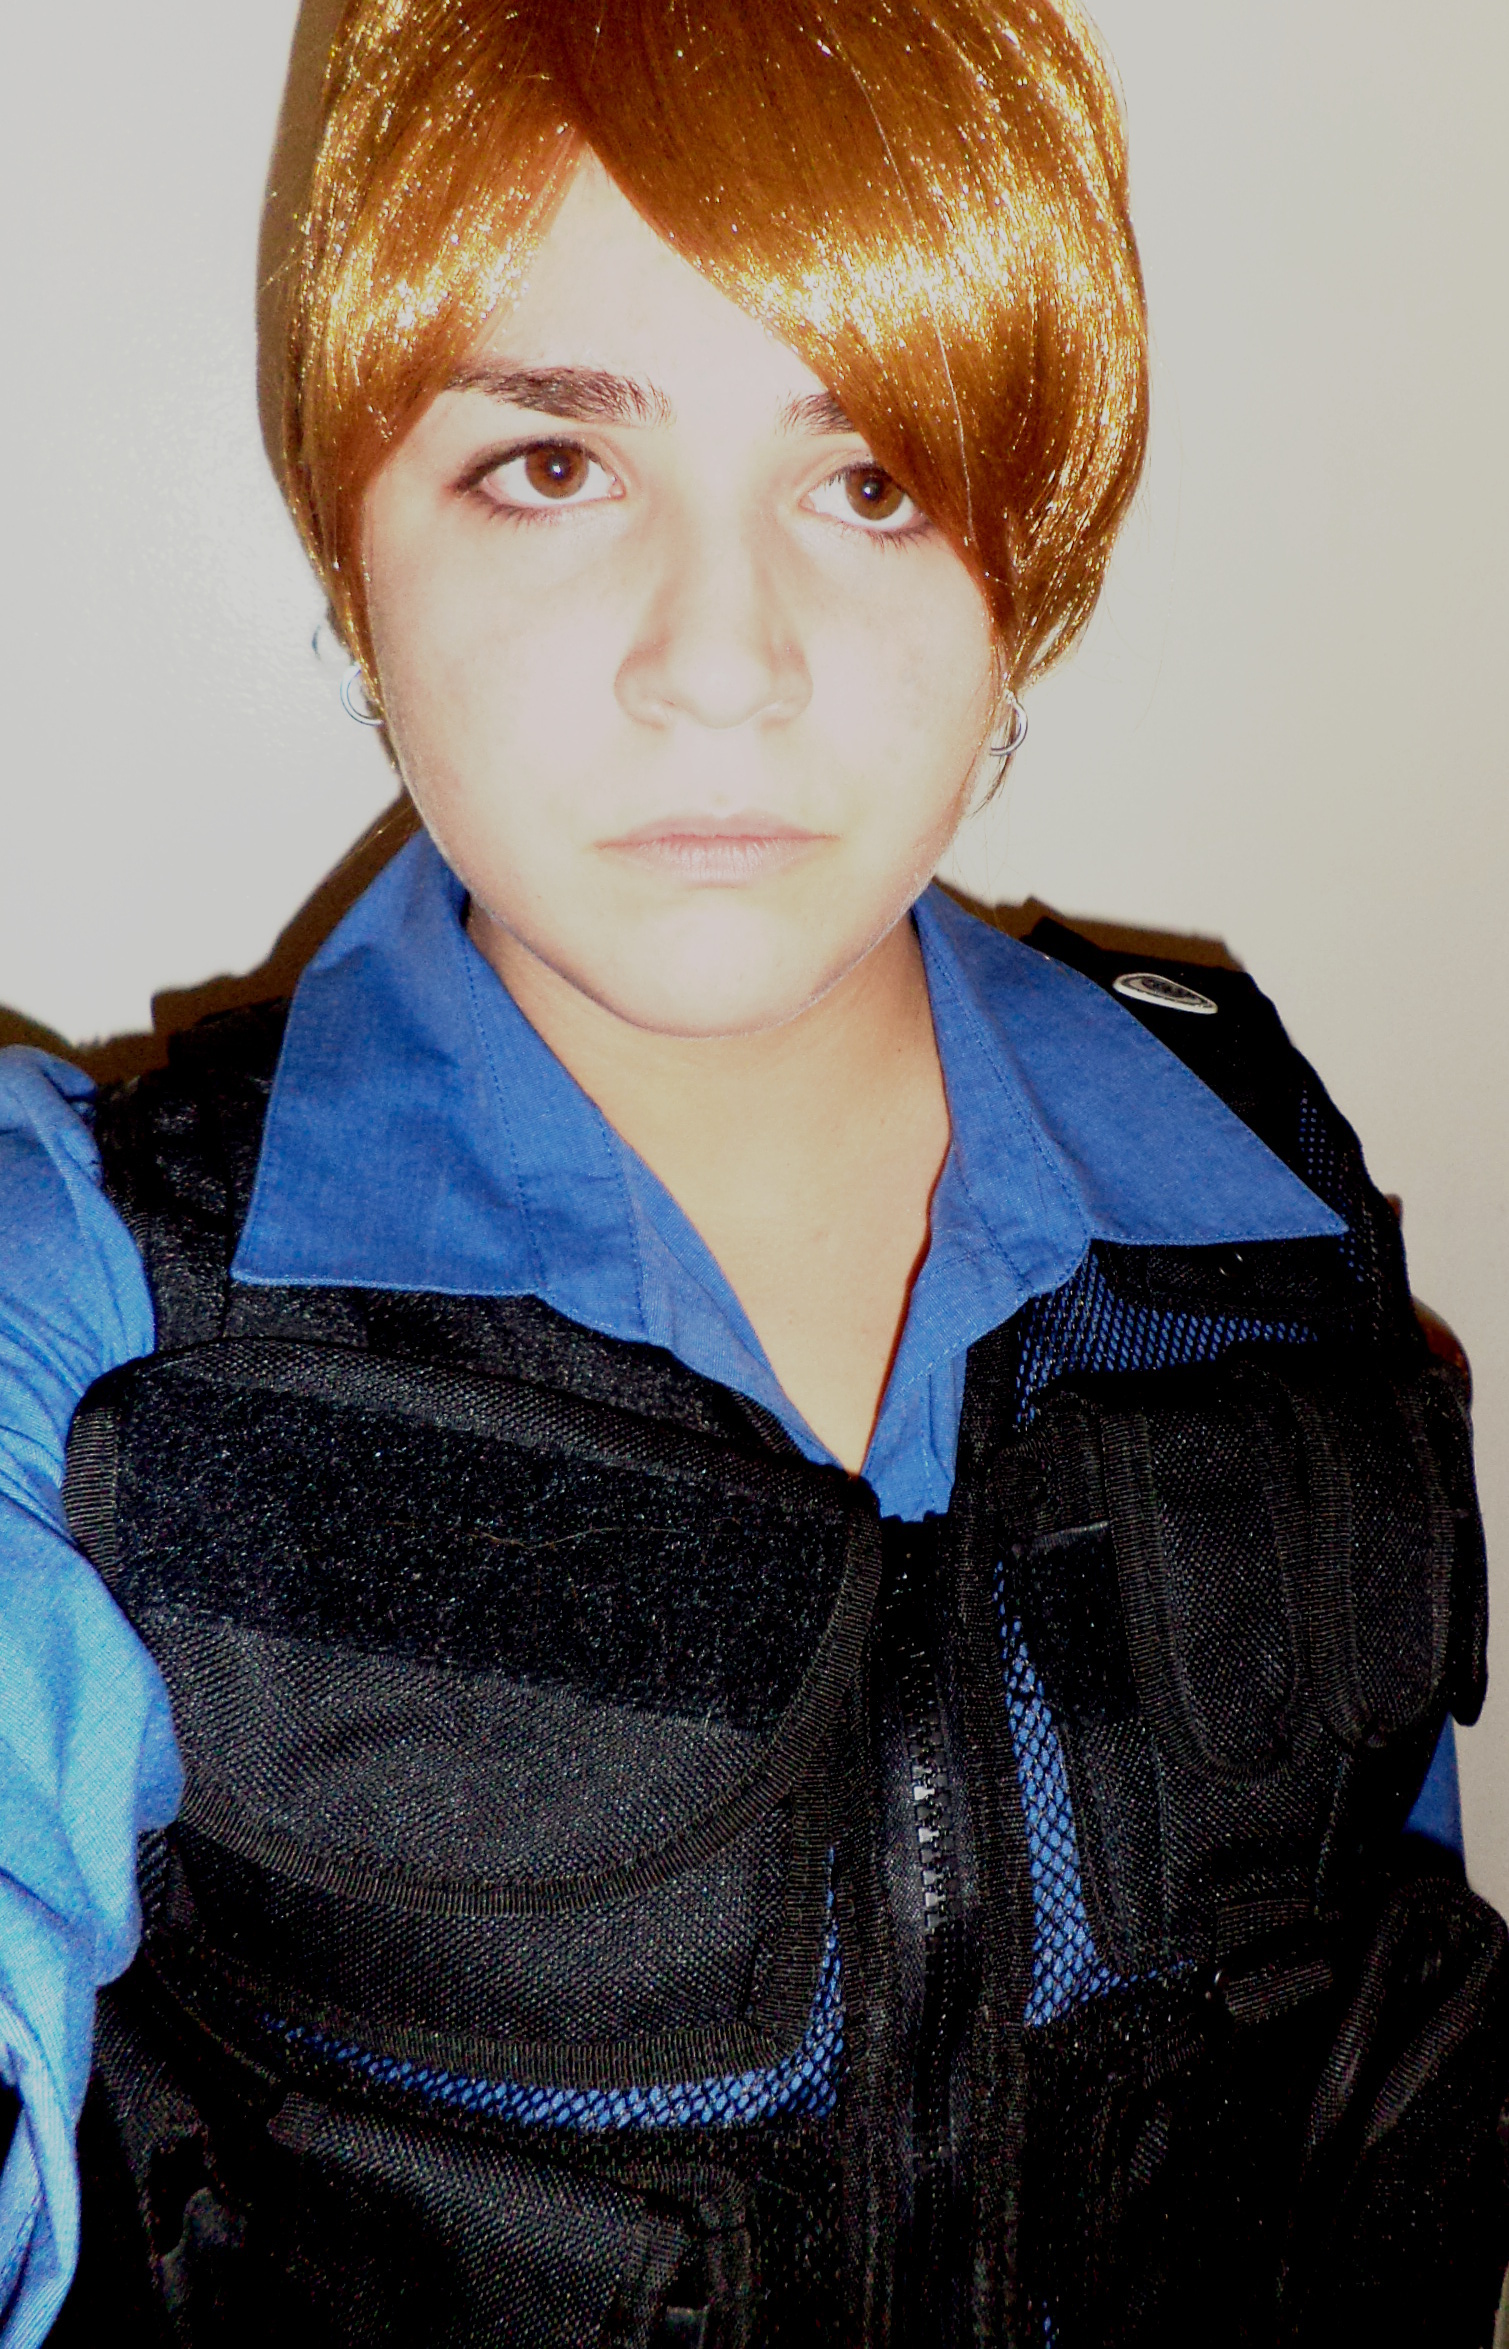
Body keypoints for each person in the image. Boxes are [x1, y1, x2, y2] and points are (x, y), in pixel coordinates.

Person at [0, 0, 1502, 2342]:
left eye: (869, 476)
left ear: (1025, 545)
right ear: (349, 530)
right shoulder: (88, 1295)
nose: (723, 663)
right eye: (548, 462)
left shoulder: (1256, 1200)